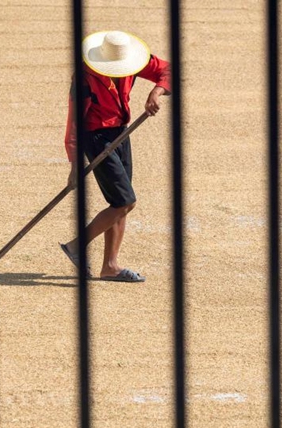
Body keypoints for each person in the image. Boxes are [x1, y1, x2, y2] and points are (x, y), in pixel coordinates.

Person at [60, 30, 170, 282]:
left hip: (120, 132)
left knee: (119, 203)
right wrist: (75, 164)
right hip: (96, 137)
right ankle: (76, 246)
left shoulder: (133, 61)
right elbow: (74, 123)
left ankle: (110, 266)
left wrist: (157, 91)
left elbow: (168, 71)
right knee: (125, 201)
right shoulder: (85, 78)